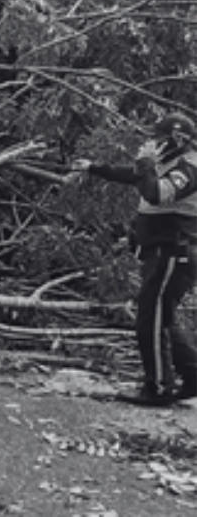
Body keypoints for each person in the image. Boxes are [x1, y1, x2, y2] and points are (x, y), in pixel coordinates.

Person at [73, 112, 197, 405]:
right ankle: (192, 376)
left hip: (173, 253)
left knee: (149, 319)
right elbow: (134, 176)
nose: (153, 144)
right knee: (162, 317)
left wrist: (146, 163)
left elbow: (156, 193)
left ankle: (157, 387)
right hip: (164, 252)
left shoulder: (189, 168)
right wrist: (93, 168)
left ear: (179, 140)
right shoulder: (171, 163)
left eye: (160, 139)